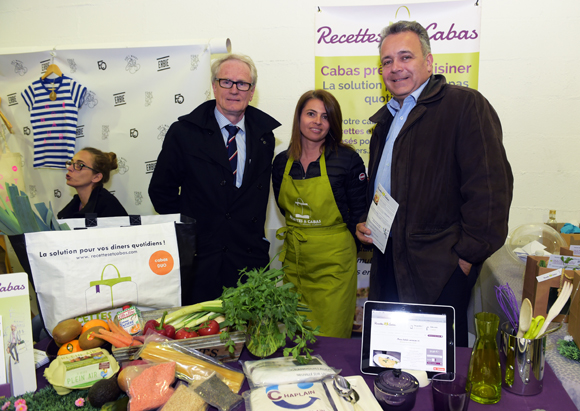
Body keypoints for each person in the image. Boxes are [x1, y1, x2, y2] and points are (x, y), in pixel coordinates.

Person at [355, 21, 513, 347]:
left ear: (428, 61)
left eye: (405, 57)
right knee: (391, 359)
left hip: (438, 269)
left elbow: (490, 191)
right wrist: (368, 222)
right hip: (389, 262)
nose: (395, 68)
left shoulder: (465, 106)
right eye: (387, 61)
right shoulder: (385, 120)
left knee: (433, 365)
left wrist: (466, 259)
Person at [149, 53, 281, 305]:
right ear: (213, 86)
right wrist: (195, 227)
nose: (234, 90)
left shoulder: (265, 136)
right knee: (200, 336)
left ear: (252, 91)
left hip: (248, 259)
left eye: (242, 83)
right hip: (201, 259)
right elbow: (160, 193)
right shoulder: (184, 133)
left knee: (248, 336)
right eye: (226, 82)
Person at [272, 90, 367, 338]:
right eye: (311, 114)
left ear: (332, 123)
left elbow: (359, 212)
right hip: (295, 262)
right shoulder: (282, 162)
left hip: (334, 265)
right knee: (296, 336)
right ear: (299, 117)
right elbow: (285, 209)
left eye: (325, 117)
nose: (317, 121)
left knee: (332, 336)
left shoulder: (347, 159)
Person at [58, 147, 128, 219]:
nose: (69, 168)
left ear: (96, 177)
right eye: (71, 163)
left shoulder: (109, 206)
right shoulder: (76, 203)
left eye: (80, 165)